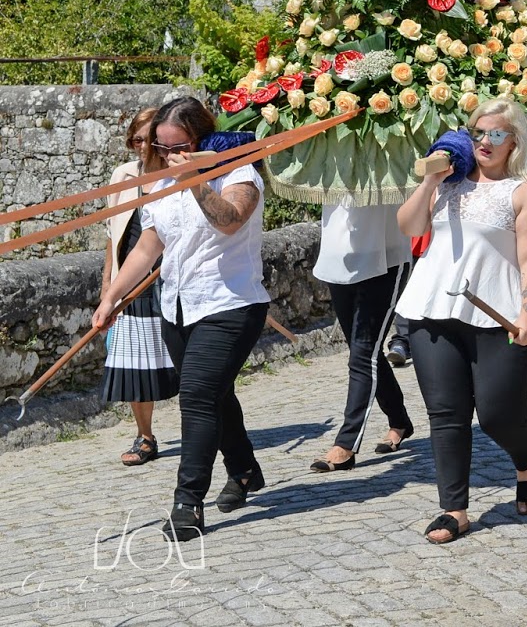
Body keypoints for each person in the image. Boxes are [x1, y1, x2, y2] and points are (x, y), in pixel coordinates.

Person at [92, 96, 271, 542]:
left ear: (201, 139)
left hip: (231, 303)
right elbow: (149, 247)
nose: (170, 156)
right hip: (176, 304)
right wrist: (112, 295)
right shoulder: (160, 183)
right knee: (214, 393)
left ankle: (187, 502)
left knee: (195, 396)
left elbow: (229, 221)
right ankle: (245, 470)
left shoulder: (239, 171)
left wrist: (195, 178)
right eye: (162, 147)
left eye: (179, 147)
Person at [395, 98, 527, 544]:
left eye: (495, 134)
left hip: (495, 313)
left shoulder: (524, 193)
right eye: (477, 132)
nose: (484, 141)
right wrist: (429, 182)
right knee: (446, 413)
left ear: (513, 142)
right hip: (431, 308)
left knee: (499, 413)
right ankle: (454, 509)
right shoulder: (448, 184)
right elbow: (409, 226)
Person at [308, 198, 415, 472]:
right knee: (366, 353)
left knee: (363, 353)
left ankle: (346, 444)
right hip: (339, 257)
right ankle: (399, 420)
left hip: (386, 257)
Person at [100, 107, 178, 466]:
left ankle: (209, 429)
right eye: (136, 140)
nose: (142, 147)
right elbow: (112, 237)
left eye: (149, 140)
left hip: (173, 276)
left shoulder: (179, 175)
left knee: (187, 359)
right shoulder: (123, 176)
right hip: (132, 280)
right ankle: (145, 437)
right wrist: (109, 290)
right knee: (134, 365)